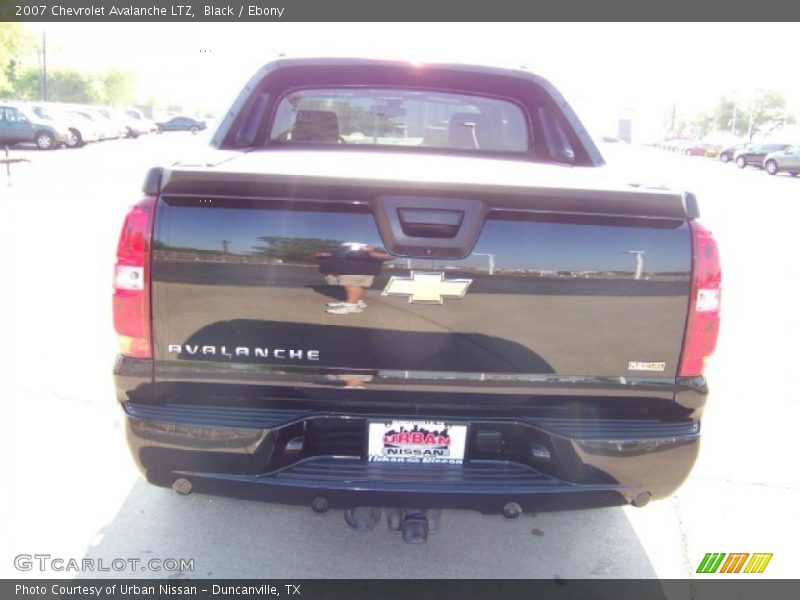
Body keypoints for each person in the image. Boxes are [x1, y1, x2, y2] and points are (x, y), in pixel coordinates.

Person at [311, 242, 392, 314]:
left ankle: (351, 306)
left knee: (352, 285)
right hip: (359, 269)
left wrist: (369, 253)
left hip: (356, 270)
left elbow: (390, 256)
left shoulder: (370, 250)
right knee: (359, 285)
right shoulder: (371, 248)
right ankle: (355, 302)